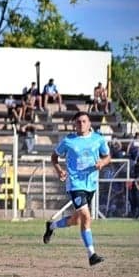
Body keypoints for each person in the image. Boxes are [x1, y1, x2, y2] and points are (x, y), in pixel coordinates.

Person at [43, 111, 111, 266]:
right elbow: (54, 157)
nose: (81, 124)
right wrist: (60, 170)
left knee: (76, 220)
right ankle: (92, 255)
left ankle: (52, 226)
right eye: (78, 122)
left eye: (84, 121)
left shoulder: (98, 139)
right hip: (75, 184)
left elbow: (107, 157)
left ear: (89, 123)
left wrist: (102, 163)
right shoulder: (68, 141)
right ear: (74, 124)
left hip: (91, 184)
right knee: (87, 217)